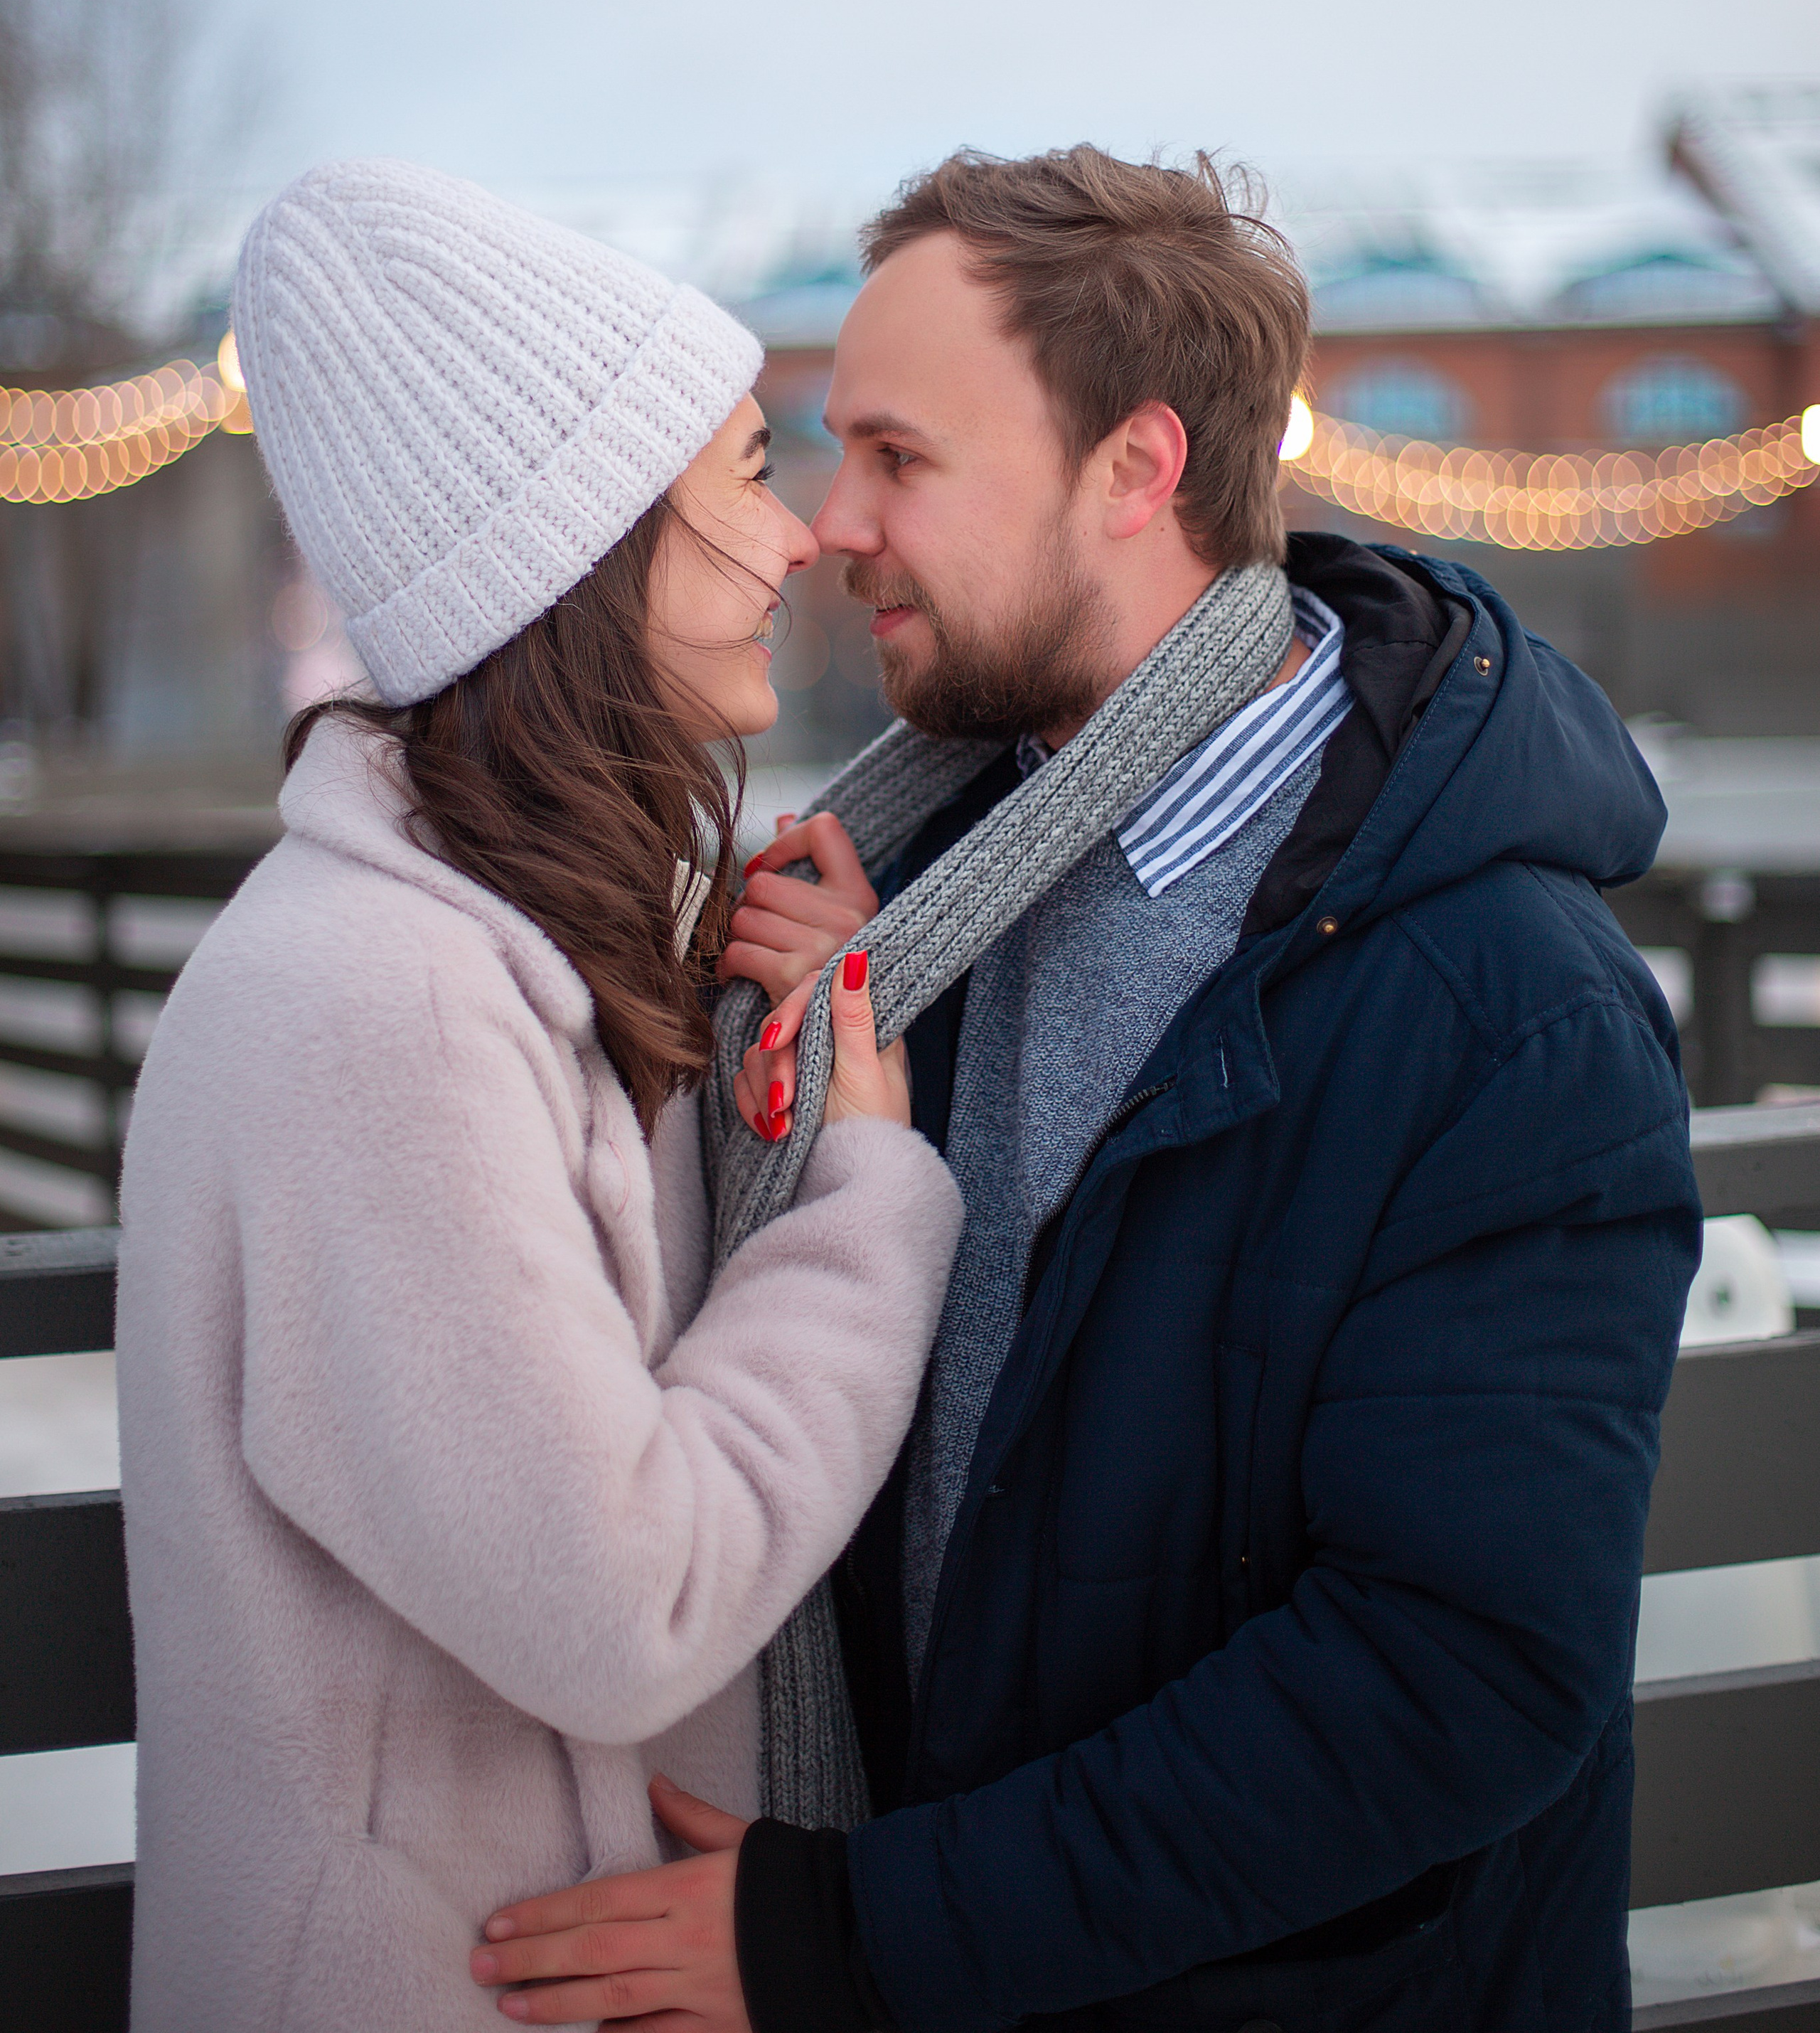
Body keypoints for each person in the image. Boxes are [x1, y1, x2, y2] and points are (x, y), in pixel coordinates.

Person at [471, 146, 1701, 2033]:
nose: (830, 524)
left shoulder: (1511, 1013)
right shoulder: (929, 907)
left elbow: (1454, 1679)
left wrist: (855, 1935)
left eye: (900, 457)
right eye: (830, 451)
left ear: (1137, 470)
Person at [116, 159, 964, 2033]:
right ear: (579, 545)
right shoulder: (380, 1010)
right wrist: (867, 1186)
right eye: (744, 473)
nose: (799, 539)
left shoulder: (510, 950)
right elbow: (620, 1599)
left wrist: (784, 1035)